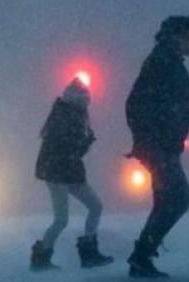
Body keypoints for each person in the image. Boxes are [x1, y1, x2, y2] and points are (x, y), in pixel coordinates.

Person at [124, 15, 189, 278]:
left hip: (166, 146)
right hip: (159, 147)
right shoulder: (160, 63)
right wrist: (146, 140)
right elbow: (135, 103)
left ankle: (141, 259)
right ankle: (141, 257)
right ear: (175, 37)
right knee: (179, 198)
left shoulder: (170, 63)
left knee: (166, 201)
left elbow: (177, 105)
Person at [30, 77, 114, 271]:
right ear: (77, 100)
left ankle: (88, 254)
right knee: (62, 219)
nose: (88, 104)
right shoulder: (66, 117)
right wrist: (86, 141)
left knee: (95, 206)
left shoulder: (70, 115)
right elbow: (69, 150)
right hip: (57, 173)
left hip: (68, 171)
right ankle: (42, 259)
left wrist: (84, 141)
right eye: (85, 100)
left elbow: (71, 151)